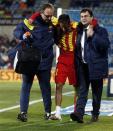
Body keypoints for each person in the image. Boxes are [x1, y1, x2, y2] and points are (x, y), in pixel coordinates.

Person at [13, 3, 55, 122]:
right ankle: (23, 113)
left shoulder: (53, 24)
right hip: (30, 60)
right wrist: (22, 35)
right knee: (26, 86)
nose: (49, 18)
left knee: (46, 88)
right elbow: (17, 31)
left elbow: (59, 37)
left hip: (45, 62)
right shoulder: (29, 22)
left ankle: (47, 113)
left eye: (51, 15)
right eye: (47, 15)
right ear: (41, 13)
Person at [70, 8, 110, 123]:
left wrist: (93, 35)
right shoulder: (79, 31)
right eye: (82, 16)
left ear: (91, 17)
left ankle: (95, 114)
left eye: (86, 16)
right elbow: (78, 50)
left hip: (96, 66)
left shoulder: (101, 31)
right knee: (82, 91)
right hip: (83, 66)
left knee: (96, 93)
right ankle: (79, 114)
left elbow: (105, 45)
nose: (83, 18)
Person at [49, 14, 78, 120]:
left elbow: (90, 23)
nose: (61, 26)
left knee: (77, 87)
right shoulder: (57, 25)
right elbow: (44, 15)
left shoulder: (75, 26)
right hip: (62, 59)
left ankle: (76, 113)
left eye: (63, 24)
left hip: (74, 60)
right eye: (60, 24)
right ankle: (57, 113)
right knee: (58, 85)